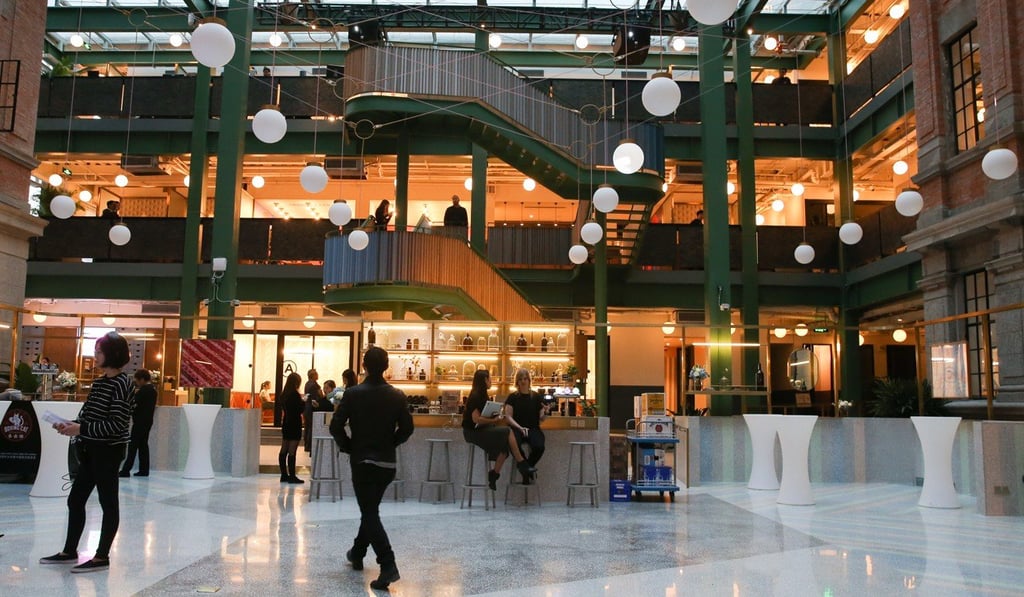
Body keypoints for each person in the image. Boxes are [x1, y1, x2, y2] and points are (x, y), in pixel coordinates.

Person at [40, 331, 134, 573]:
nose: (95, 356)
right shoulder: (101, 382)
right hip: (91, 449)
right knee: (76, 499)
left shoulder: (123, 384)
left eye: (99, 351)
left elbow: (117, 424)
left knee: (108, 502)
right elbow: (87, 416)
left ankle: (102, 556)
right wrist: (69, 425)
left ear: (112, 354)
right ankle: (69, 551)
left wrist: (80, 428)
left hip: (109, 452)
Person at [330, 346, 414, 591]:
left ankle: (388, 564)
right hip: (386, 464)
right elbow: (408, 429)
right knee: (370, 509)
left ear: (364, 366)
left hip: (362, 462)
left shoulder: (353, 394)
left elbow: (336, 426)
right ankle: (357, 551)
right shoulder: (397, 395)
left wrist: (349, 446)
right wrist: (391, 442)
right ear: (386, 366)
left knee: (369, 512)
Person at [462, 370, 534, 491]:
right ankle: (521, 463)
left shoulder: (483, 394)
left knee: (504, 447)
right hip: (472, 433)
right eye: (490, 379)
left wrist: (493, 416)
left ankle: (494, 474)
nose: (491, 381)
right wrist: (493, 421)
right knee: (507, 431)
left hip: (480, 430)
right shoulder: (475, 396)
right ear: (485, 380)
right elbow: (476, 419)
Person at [504, 368, 548, 480]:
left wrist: (546, 411)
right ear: (517, 382)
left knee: (539, 446)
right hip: (516, 429)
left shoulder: (536, 397)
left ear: (529, 380)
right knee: (514, 445)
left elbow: (542, 418)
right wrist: (519, 427)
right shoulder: (512, 397)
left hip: (533, 428)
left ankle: (527, 468)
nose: (523, 381)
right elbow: (508, 416)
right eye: (520, 379)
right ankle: (525, 467)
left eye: (525, 379)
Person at [119, 369, 157, 478]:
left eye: (138, 380)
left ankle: (126, 470)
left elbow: (133, 402)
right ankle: (144, 470)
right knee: (143, 446)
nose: (137, 383)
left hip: (140, 422)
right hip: (147, 422)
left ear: (142, 379)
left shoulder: (144, 390)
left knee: (133, 446)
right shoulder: (153, 390)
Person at [278, 372, 304, 484]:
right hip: (295, 424)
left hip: (286, 423)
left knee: (284, 449)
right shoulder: (295, 395)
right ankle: (292, 476)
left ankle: (284, 474)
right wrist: (303, 401)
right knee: (292, 450)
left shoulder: (284, 394)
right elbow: (299, 410)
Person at [303, 368, 325, 452]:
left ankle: (306, 444)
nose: (317, 375)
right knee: (311, 427)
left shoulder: (307, 384)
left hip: (307, 407)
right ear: (313, 375)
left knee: (307, 426)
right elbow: (317, 397)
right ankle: (309, 445)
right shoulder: (314, 385)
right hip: (311, 408)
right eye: (316, 374)